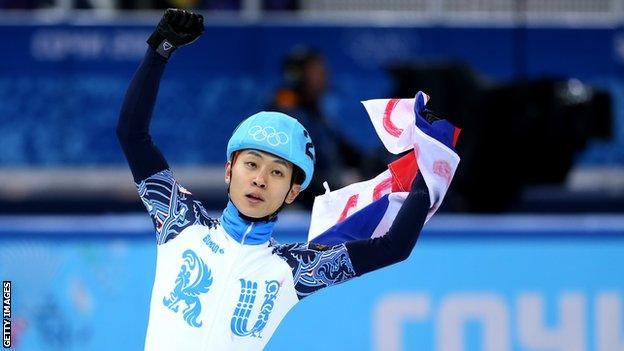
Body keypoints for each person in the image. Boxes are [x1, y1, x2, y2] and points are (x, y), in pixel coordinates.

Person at [116, 9, 457, 351]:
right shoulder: (180, 221)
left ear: (294, 191)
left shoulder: (293, 270)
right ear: (228, 171)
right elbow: (132, 135)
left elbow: (392, 247)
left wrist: (430, 168)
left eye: (277, 172)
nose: (260, 180)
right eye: (251, 164)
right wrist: (159, 51)